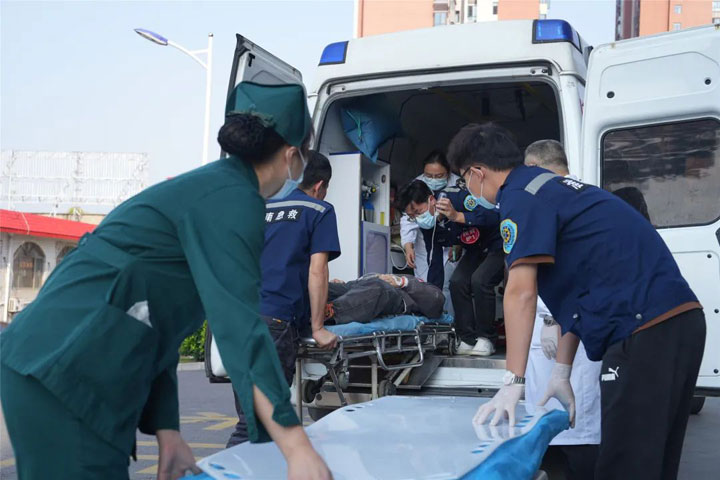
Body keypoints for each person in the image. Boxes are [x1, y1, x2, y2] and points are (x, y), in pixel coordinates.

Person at [0, 81, 332, 480]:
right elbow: (241, 329)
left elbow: (156, 319)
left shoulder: (212, 187)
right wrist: (297, 447)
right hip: (65, 367)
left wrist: (168, 432)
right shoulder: (234, 200)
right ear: (292, 154)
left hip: (56, 359)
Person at [451, 123, 705, 480]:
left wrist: (513, 381)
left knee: (624, 467)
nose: (468, 189)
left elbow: (520, 291)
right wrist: (562, 369)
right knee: (652, 465)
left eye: (464, 179)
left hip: (644, 328)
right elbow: (580, 292)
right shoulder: (555, 189)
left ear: (477, 172)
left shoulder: (519, 196)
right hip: (678, 321)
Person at [227, 150, 341, 447]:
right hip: (274, 323)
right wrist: (317, 328)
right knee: (260, 425)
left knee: (252, 421)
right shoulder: (318, 210)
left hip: (238, 319)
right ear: (319, 185)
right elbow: (317, 271)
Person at [522, 140, 602, 480]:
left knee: (577, 423)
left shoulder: (567, 203)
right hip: (550, 327)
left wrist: (553, 317)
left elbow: (579, 270)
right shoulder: (576, 197)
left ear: (536, 167)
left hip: (568, 325)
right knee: (551, 421)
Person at [435, 180, 503, 357]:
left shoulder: (459, 198)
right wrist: (456, 242)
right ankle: (467, 338)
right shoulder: (432, 222)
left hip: (497, 244)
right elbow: (450, 236)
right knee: (457, 282)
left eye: (418, 211)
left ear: (429, 201)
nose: (419, 216)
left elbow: (490, 217)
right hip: (475, 248)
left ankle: (486, 338)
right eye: (413, 215)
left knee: (480, 280)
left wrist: (456, 215)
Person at [400, 151, 460, 297]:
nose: (433, 180)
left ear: (448, 172)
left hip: (450, 241)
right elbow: (408, 217)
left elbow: (463, 217)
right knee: (424, 285)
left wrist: (458, 243)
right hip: (424, 242)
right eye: (428, 175)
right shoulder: (416, 185)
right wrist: (408, 245)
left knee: (446, 285)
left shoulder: (458, 186)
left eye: (439, 176)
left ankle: (446, 312)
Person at [325, 274, 445, 324]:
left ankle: (328, 312)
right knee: (323, 285)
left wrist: (402, 282)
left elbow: (437, 301)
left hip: (392, 295)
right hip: (358, 285)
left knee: (378, 287)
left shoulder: (417, 284)